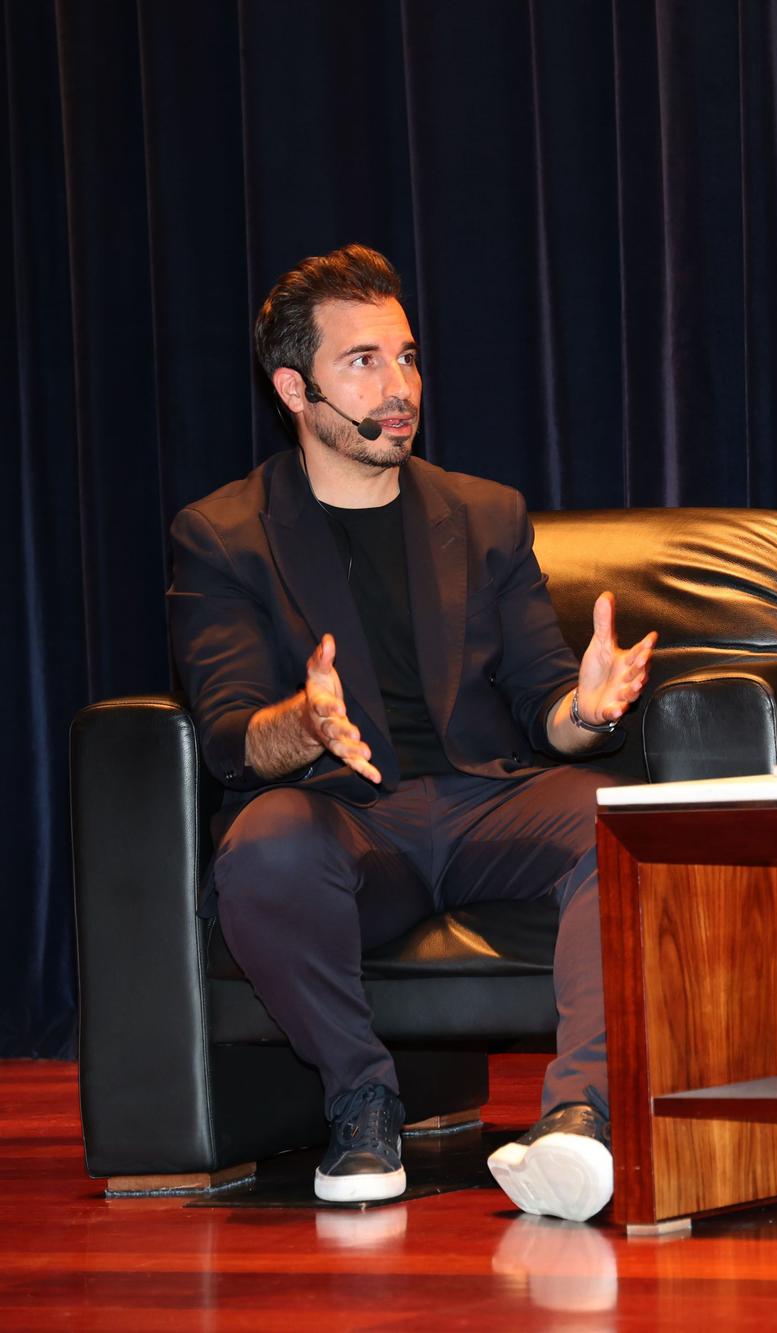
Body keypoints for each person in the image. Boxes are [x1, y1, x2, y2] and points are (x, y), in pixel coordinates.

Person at [168, 244, 657, 1220]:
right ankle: (361, 1101)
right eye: (364, 363)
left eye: (407, 356)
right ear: (294, 388)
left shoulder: (482, 514)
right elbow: (228, 735)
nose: (400, 387)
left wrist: (586, 709)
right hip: (343, 818)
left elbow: (541, 700)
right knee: (261, 848)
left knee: (619, 814)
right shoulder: (222, 533)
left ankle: (577, 1118)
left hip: (485, 800)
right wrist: (300, 722)